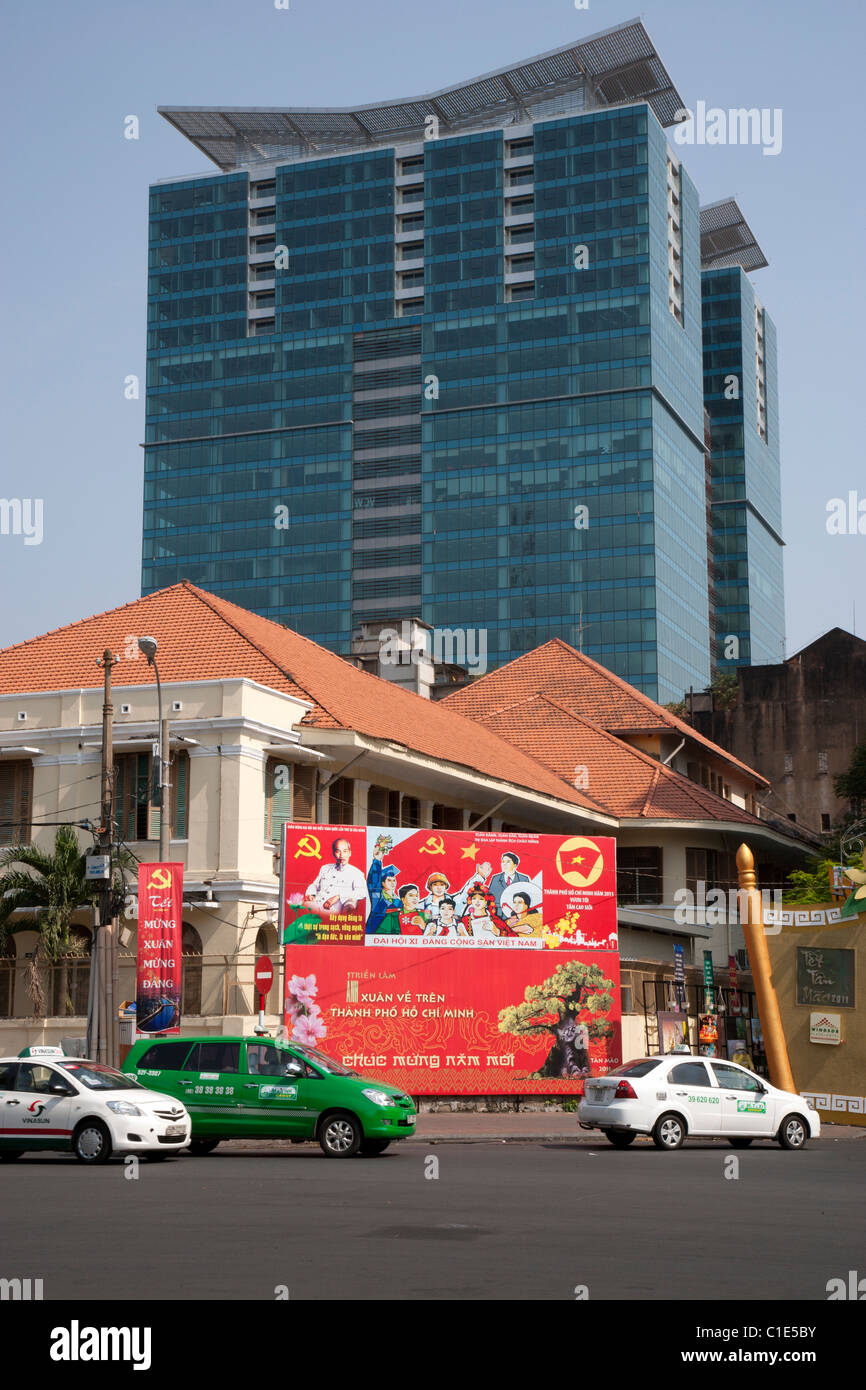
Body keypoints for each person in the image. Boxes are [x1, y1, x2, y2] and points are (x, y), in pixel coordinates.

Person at [304, 837, 367, 912]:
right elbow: (315, 885)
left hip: (332, 912)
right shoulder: (325, 868)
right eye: (338, 851)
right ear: (333, 853)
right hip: (314, 906)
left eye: (345, 851)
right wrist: (311, 894)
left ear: (350, 853)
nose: (341, 855)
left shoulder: (356, 873)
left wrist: (339, 896)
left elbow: (362, 892)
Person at [366, 860, 400, 935]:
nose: (392, 883)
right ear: (383, 883)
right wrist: (377, 861)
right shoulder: (378, 897)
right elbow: (374, 882)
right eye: (389, 880)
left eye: (394, 880)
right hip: (375, 932)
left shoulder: (399, 902)